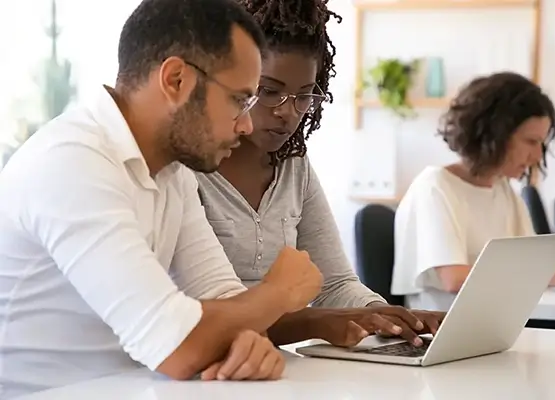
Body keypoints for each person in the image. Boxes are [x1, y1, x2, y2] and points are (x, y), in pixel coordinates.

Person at [0, 0, 325, 397]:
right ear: (175, 80)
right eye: (240, 100)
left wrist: (246, 341)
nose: (244, 124)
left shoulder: (173, 171)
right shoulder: (71, 163)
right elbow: (175, 345)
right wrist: (278, 292)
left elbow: (225, 300)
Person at [196, 0, 445, 349]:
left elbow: (336, 284)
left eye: (304, 96)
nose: (289, 112)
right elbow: (205, 311)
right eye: (269, 91)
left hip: (273, 365)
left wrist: (387, 317)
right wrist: (317, 322)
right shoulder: (188, 170)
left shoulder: (294, 165)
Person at [391, 71, 555, 312]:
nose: (537, 156)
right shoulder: (435, 187)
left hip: (495, 324)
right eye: (531, 142)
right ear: (494, 134)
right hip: (447, 332)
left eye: (541, 144)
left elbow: (533, 264)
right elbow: (455, 279)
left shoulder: (503, 190)